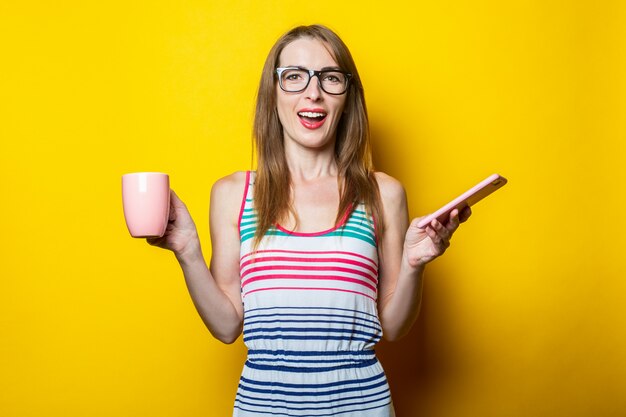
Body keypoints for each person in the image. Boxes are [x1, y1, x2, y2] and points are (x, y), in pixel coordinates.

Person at [148, 24, 470, 417]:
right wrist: (187, 251)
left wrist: (413, 265)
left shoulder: (383, 194)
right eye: (294, 77)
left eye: (330, 78)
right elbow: (227, 326)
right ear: (274, 93)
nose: (312, 92)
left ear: (348, 97)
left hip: (362, 408)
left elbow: (393, 326)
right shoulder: (233, 194)